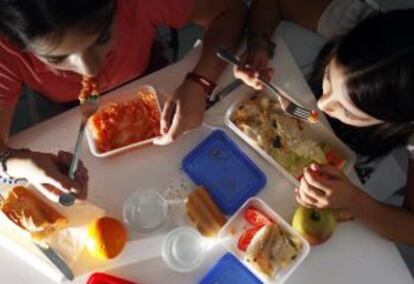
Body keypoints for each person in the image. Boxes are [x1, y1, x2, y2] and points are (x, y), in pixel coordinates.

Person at [0, 0, 247, 201]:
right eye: (57, 59)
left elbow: (229, 11)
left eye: (102, 38)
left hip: (150, 76)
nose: (90, 69)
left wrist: (200, 81)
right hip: (60, 109)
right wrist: (20, 163)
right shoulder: (4, 47)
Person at [234, 0, 414, 245]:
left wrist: (355, 202)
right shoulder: (363, 30)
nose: (322, 105)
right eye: (329, 77)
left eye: (348, 111)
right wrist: (259, 44)